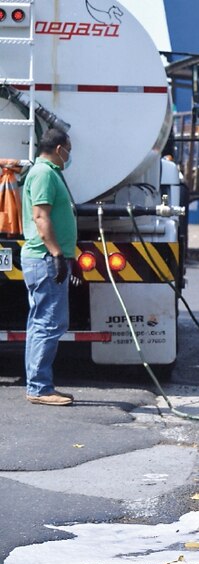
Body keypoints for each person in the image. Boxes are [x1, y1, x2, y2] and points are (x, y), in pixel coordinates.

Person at [20, 128, 77, 406]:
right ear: (58, 149)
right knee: (50, 322)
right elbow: (41, 217)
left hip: (43, 258)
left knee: (40, 322)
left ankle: (38, 384)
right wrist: (56, 254)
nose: (69, 155)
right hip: (44, 258)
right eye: (68, 149)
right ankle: (40, 388)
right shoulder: (44, 173)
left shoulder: (47, 172)